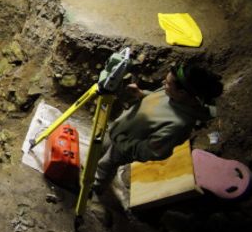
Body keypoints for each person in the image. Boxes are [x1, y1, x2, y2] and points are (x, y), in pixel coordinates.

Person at [92, 63, 224, 194]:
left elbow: (148, 151)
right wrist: (141, 94)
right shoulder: (174, 94)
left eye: (167, 83)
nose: (162, 83)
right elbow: (161, 100)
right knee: (100, 148)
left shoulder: (178, 125)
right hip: (121, 131)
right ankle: (91, 169)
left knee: (105, 165)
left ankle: (94, 187)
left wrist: (121, 141)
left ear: (182, 93)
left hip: (125, 146)